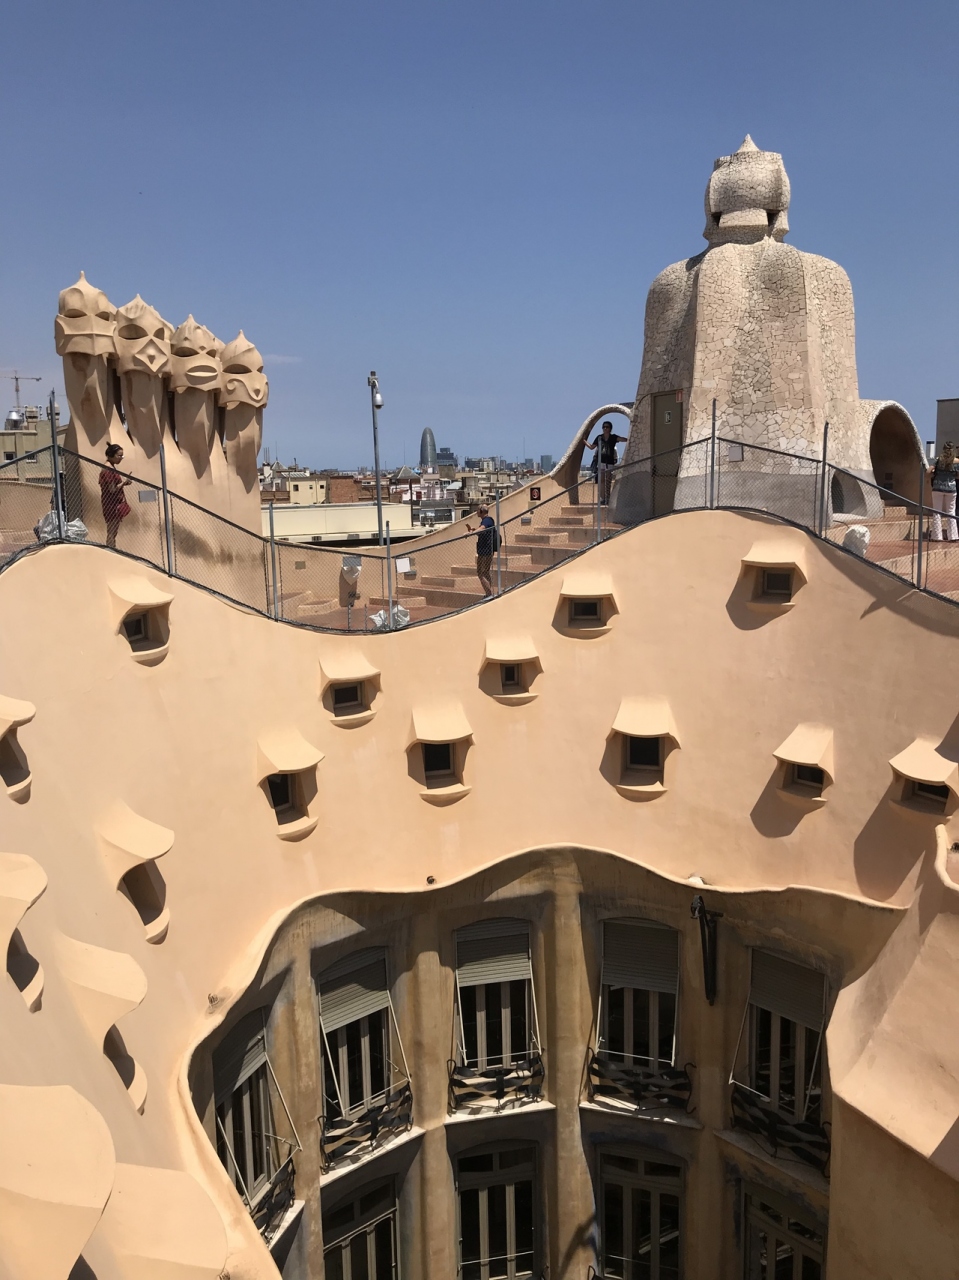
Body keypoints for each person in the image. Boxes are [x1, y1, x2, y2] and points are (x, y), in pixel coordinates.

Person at [584, 420, 628, 503]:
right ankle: (602, 498)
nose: (605, 428)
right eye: (603, 427)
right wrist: (583, 441)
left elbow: (622, 439)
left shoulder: (613, 437)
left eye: (607, 427)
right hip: (601, 462)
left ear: (610, 428)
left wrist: (629, 438)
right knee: (601, 481)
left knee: (608, 481)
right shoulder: (599, 437)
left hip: (610, 462)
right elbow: (592, 447)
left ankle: (608, 498)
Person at [99, 442, 132, 548]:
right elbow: (112, 489)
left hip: (114, 502)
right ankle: (110, 550)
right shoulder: (108, 469)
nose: (121, 458)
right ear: (111, 455)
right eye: (119, 456)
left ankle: (112, 548)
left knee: (113, 531)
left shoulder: (111, 467)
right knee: (111, 531)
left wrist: (123, 484)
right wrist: (124, 482)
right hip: (111, 504)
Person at [928, 442, 959, 542]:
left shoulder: (938, 460)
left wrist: (933, 474)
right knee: (951, 512)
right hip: (951, 488)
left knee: (937, 512)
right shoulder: (956, 461)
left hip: (937, 487)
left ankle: (936, 536)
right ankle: (953, 536)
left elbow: (928, 471)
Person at [466, 504, 497, 597]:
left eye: (477, 510)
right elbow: (482, 531)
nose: (476, 512)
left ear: (481, 511)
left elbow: (482, 528)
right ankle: (490, 593)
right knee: (486, 572)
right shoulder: (487, 520)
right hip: (487, 550)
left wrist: (471, 533)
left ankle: (489, 594)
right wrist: (474, 530)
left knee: (481, 573)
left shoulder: (487, 520)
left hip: (484, 551)